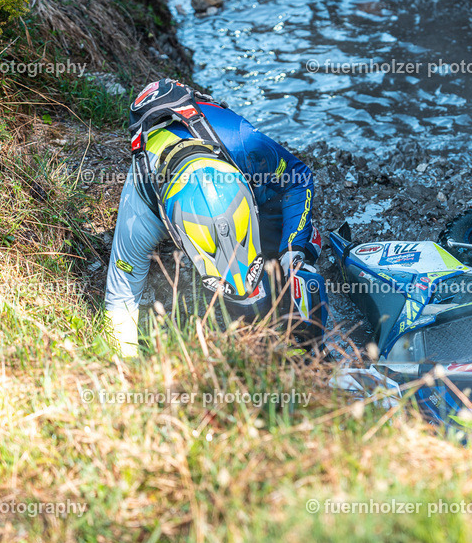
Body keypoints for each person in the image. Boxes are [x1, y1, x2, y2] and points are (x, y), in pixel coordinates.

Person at [104, 78, 327, 357]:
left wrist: (292, 249)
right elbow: (121, 301)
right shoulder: (139, 213)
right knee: (242, 300)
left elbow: (298, 178)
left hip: (224, 148)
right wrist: (127, 370)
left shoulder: (242, 143)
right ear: (171, 230)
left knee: (289, 237)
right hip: (167, 183)